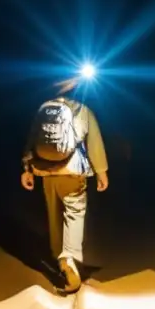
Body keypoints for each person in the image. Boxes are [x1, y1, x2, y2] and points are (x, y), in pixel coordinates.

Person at [20, 78, 109, 292]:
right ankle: (69, 257)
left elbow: (32, 140)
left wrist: (27, 169)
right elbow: (94, 142)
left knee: (54, 213)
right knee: (74, 213)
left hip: (46, 171)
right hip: (73, 171)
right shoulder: (82, 110)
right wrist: (101, 172)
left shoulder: (43, 109)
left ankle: (57, 257)